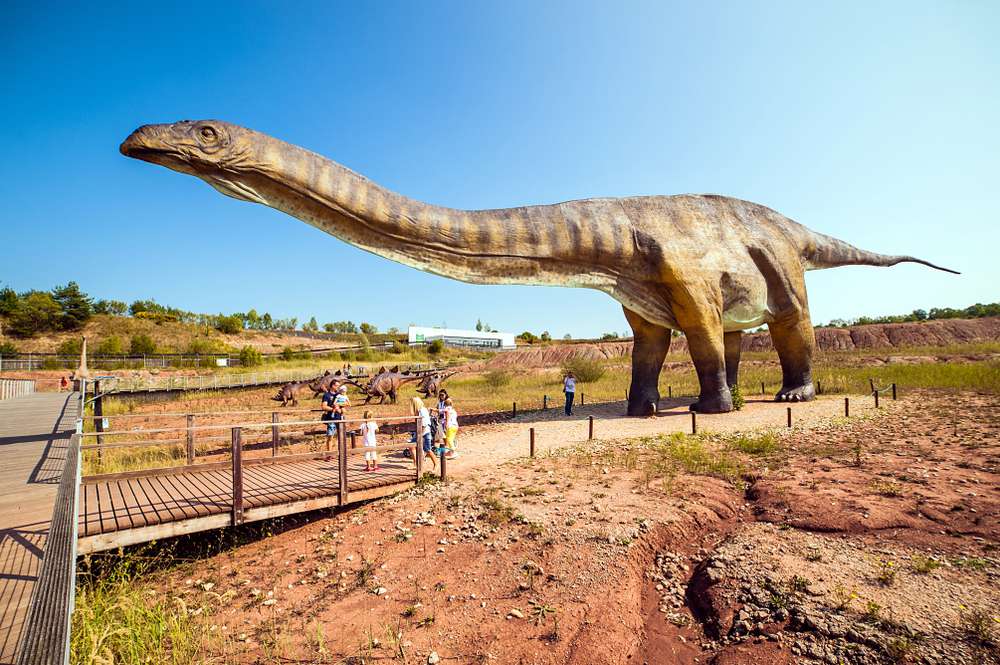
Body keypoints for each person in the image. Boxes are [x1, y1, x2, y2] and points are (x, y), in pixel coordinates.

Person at [411, 396, 435, 469]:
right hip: (420, 432)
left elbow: (424, 424)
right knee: (411, 446)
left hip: (424, 432)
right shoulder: (420, 410)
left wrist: (420, 435)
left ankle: (436, 464)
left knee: (427, 449)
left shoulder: (422, 411)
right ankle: (416, 464)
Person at [321, 380, 342, 448]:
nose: (338, 387)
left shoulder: (339, 395)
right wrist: (333, 410)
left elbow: (344, 403)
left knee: (341, 436)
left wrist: (342, 408)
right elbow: (324, 406)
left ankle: (340, 452)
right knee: (330, 437)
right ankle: (329, 453)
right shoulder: (327, 395)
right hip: (331, 418)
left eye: (339, 386)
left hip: (340, 418)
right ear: (332, 385)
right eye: (337, 385)